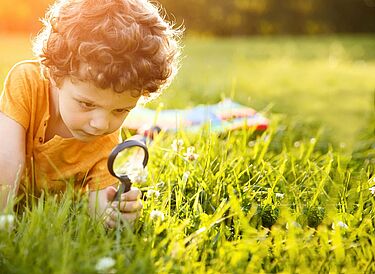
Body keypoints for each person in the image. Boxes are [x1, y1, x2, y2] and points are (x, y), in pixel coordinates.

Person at [0, 0, 182, 228]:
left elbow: (98, 205)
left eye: (120, 110)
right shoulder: (27, 82)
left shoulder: (105, 139)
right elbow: (6, 162)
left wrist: (114, 214)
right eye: (86, 104)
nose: (100, 124)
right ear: (55, 74)